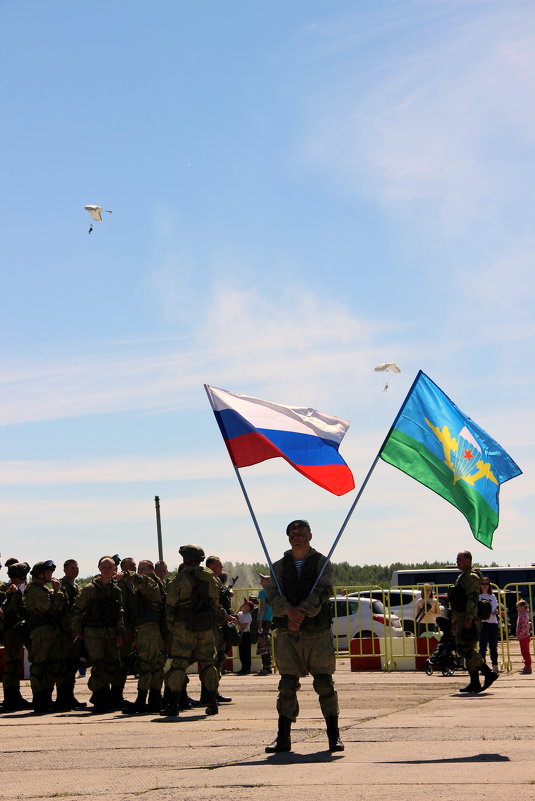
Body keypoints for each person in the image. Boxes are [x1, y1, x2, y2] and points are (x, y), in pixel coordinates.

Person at [265, 519, 343, 753]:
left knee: (324, 684)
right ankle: (283, 737)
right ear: (288, 536)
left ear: (310, 535)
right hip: (288, 634)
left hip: (316, 633)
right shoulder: (278, 566)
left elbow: (322, 591)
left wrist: (301, 614)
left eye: (301, 532)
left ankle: (333, 736)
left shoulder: (322, 563)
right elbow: (272, 593)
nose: (297, 535)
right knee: (287, 685)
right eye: (292, 532)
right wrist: (288, 611)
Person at [161, 545, 224, 717]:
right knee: (208, 664)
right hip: (205, 626)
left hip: (184, 627)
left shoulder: (180, 579)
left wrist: (171, 627)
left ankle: (173, 705)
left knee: (179, 664)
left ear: (185, 559)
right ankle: (212, 702)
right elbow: (215, 603)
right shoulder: (211, 577)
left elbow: (171, 605)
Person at [71, 556, 125, 713]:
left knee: (112, 665)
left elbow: (119, 613)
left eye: (111, 567)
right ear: (99, 568)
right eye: (105, 566)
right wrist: (78, 631)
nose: (107, 569)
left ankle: (109, 699)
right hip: (93, 633)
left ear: (115, 569)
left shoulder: (116, 590)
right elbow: (77, 610)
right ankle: (100, 698)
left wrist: (120, 633)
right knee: (99, 666)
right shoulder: (89, 589)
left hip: (110, 633)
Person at [120, 559, 167, 713]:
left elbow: (140, 580)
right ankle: (154, 700)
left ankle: (141, 701)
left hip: (149, 630)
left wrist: (126, 574)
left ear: (151, 570)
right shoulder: (151, 586)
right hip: (148, 630)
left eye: (142, 569)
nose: (140, 572)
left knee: (146, 665)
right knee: (155, 666)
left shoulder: (151, 583)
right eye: (138, 569)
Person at [449, 550, 498, 694]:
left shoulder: (471, 577)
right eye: (457, 559)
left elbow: (472, 599)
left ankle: (488, 673)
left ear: (468, 560)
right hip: (462, 617)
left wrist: (469, 619)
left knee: (465, 648)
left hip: (468, 618)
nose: (457, 562)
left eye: (460, 560)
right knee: (466, 647)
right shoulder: (464, 576)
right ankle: (475, 683)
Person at [24, 560, 68, 713]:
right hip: (40, 634)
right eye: (47, 572)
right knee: (39, 666)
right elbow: (50, 608)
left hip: (50, 633)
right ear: (39, 574)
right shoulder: (34, 590)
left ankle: (46, 699)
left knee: (52, 666)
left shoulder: (43, 589)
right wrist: (57, 592)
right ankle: (40, 701)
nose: (51, 575)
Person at [1, 562, 32, 711]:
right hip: (12, 632)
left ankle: (14, 696)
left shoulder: (14, 590)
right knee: (12, 665)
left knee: (13, 665)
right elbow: (10, 613)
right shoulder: (12, 591)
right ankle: (11, 698)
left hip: (13, 632)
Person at [56, 559, 86, 710]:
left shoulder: (77, 587)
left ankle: (69, 697)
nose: (74, 570)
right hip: (66, 632)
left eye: (76, 568)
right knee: (65, 666)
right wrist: (72, 629)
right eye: (71, 568)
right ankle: (63, 698)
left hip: (75, 631)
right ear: (65, 570)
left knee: (72, 665)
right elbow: (63, 610)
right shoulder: (62, 586)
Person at [478, 577, 500, 674]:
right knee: (482, 647)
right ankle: (483, 667)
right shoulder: (478, 596)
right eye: (482, 583)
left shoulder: (492, 596)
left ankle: (495, 666)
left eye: (486, 583)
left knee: (493, 647)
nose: (484, 585)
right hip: (483, 623)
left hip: (493, 623)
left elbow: (495, 609)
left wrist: (494, 612)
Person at [256, 573, 273, 675]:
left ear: (267, 582)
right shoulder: (272, 592)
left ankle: (266, 667)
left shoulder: (263, 592)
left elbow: (262, 608)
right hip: (269, 619)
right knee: (266, 642)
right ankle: (268, 666)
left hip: (263, 620)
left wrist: (260, 622)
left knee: (262, 643)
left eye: (262, 579)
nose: (260, 581)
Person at [237, 599, 254, 675]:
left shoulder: (248, 615)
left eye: (246, 604)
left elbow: (244, 626)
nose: (244, 605)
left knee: (246, 652)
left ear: (249, 607)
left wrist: (237, 622)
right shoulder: (241, 613)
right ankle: (243, 667)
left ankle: (247, 668)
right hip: (241, 634)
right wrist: (239, 609)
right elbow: (234, 615)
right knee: (241, 652)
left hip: (246, 634)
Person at [516, 600, 532, 675]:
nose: (517, 608)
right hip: (523, 636)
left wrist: (520, 634)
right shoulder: (522, 614)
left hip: (524, 636)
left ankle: (528, 666)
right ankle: (526, 665)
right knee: (524, 651)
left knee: (525, 652)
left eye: (518, 606)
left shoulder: (524, 615)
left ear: (522, 607)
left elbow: (524, 627)